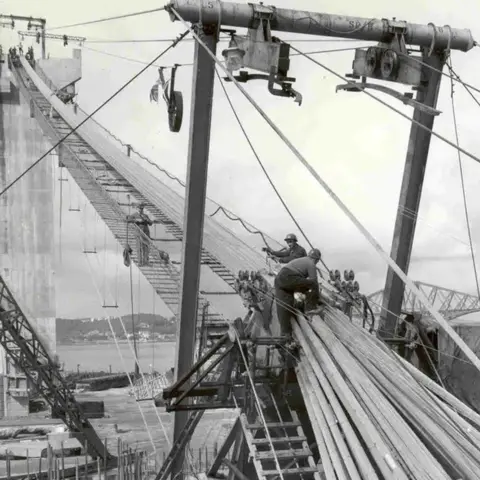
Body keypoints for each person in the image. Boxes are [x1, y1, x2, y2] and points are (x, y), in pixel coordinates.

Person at [274, 248, 322, 340]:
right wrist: (316, 298)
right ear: (317, 259)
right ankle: (310, 309)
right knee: (312, 284)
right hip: (289, 277)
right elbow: (314, 282)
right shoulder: (311, 263)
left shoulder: (302, 260)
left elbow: (299, 282)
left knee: (283, 305)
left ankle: (285, 334)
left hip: (279, 278)